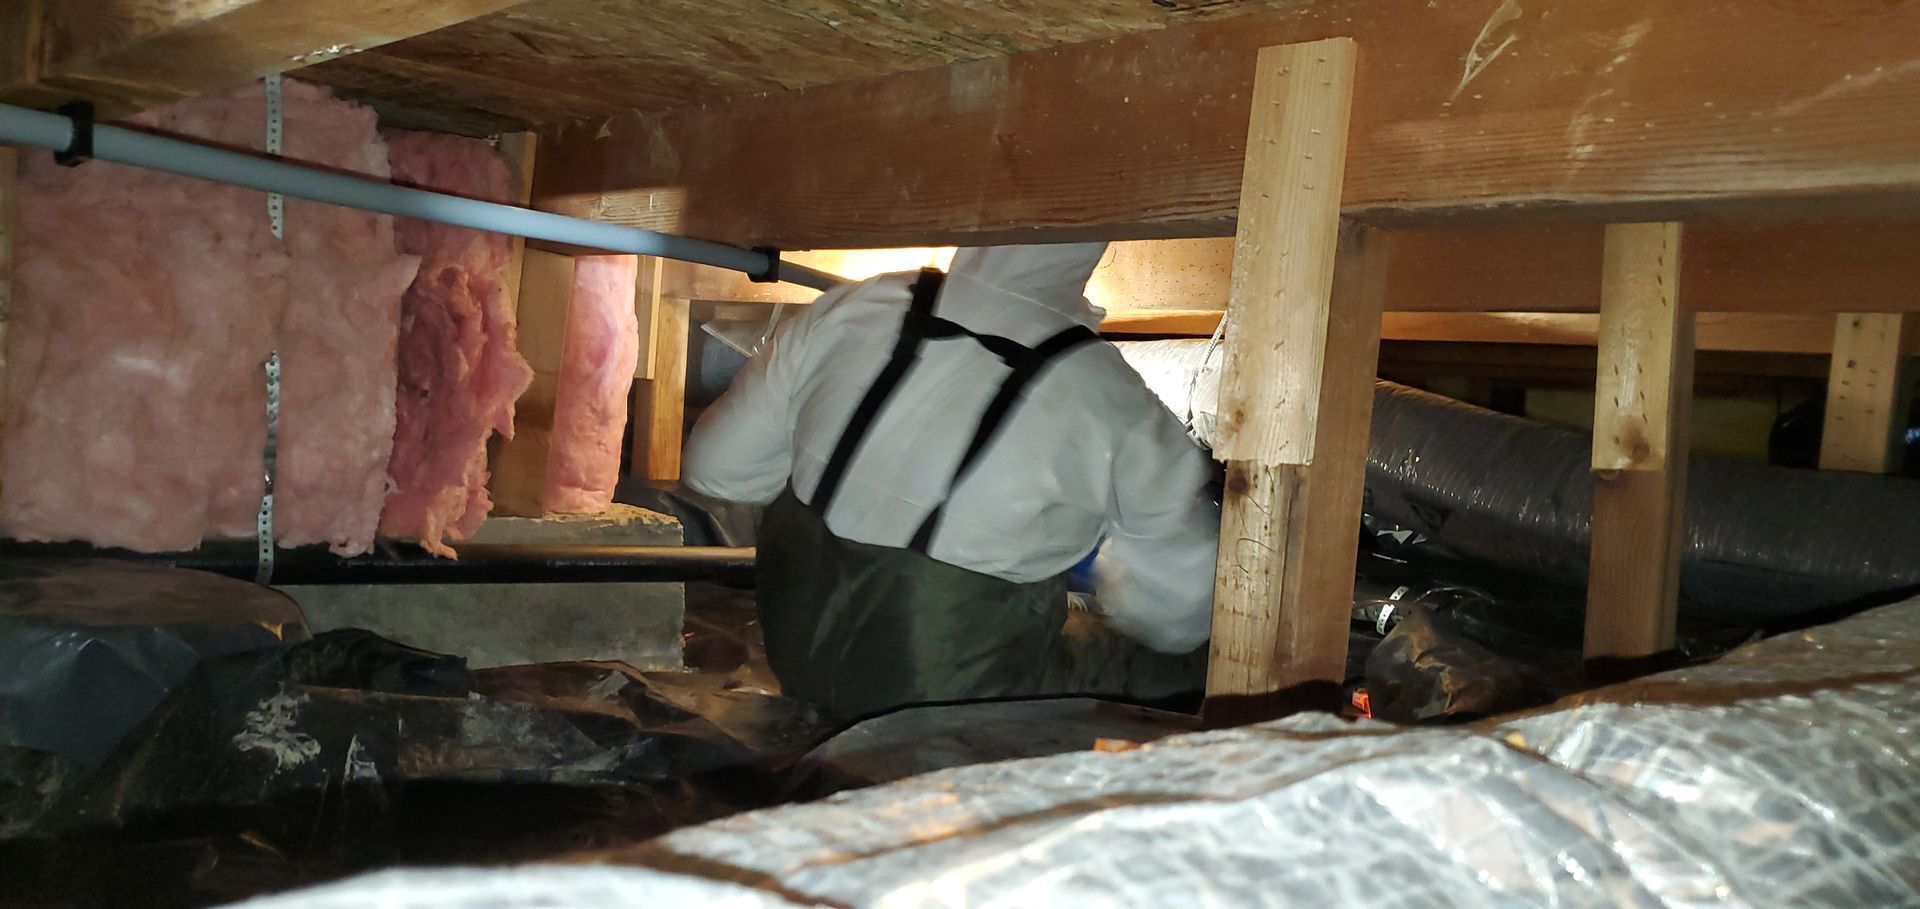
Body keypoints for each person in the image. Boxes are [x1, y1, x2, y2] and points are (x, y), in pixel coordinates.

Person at [683, 243, 1218, 718]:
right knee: (1200, 666)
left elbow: (717, 470)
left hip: (794, 651)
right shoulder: (1109, 394)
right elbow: (1179, 611)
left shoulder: (855, 305)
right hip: (952, 698)